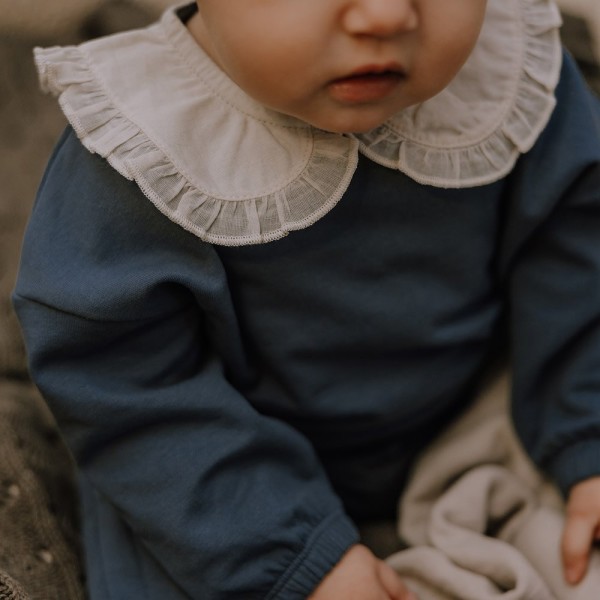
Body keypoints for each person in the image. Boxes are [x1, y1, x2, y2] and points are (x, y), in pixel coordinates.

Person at [12, 0, 600, 598]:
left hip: (483, 415)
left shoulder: (509, 77)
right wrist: (288, 552)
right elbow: (123, 386)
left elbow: (578, 264)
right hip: (217, 482)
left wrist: (587, 435)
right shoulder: (146, 143)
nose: (387, 16)